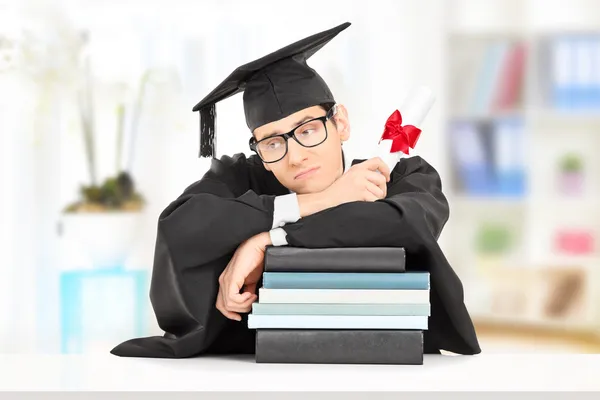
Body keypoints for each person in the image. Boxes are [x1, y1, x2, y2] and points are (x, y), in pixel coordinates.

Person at [111, 21, 481, 358]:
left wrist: (268, 239)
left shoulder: (400, 176)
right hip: (258, 369)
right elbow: (182, 227)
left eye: (307, 130)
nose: (296, 157)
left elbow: (405, 225)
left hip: (389, 364)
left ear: (341, 123)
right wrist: (325, 199)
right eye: (272, 143)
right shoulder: (243, 175)